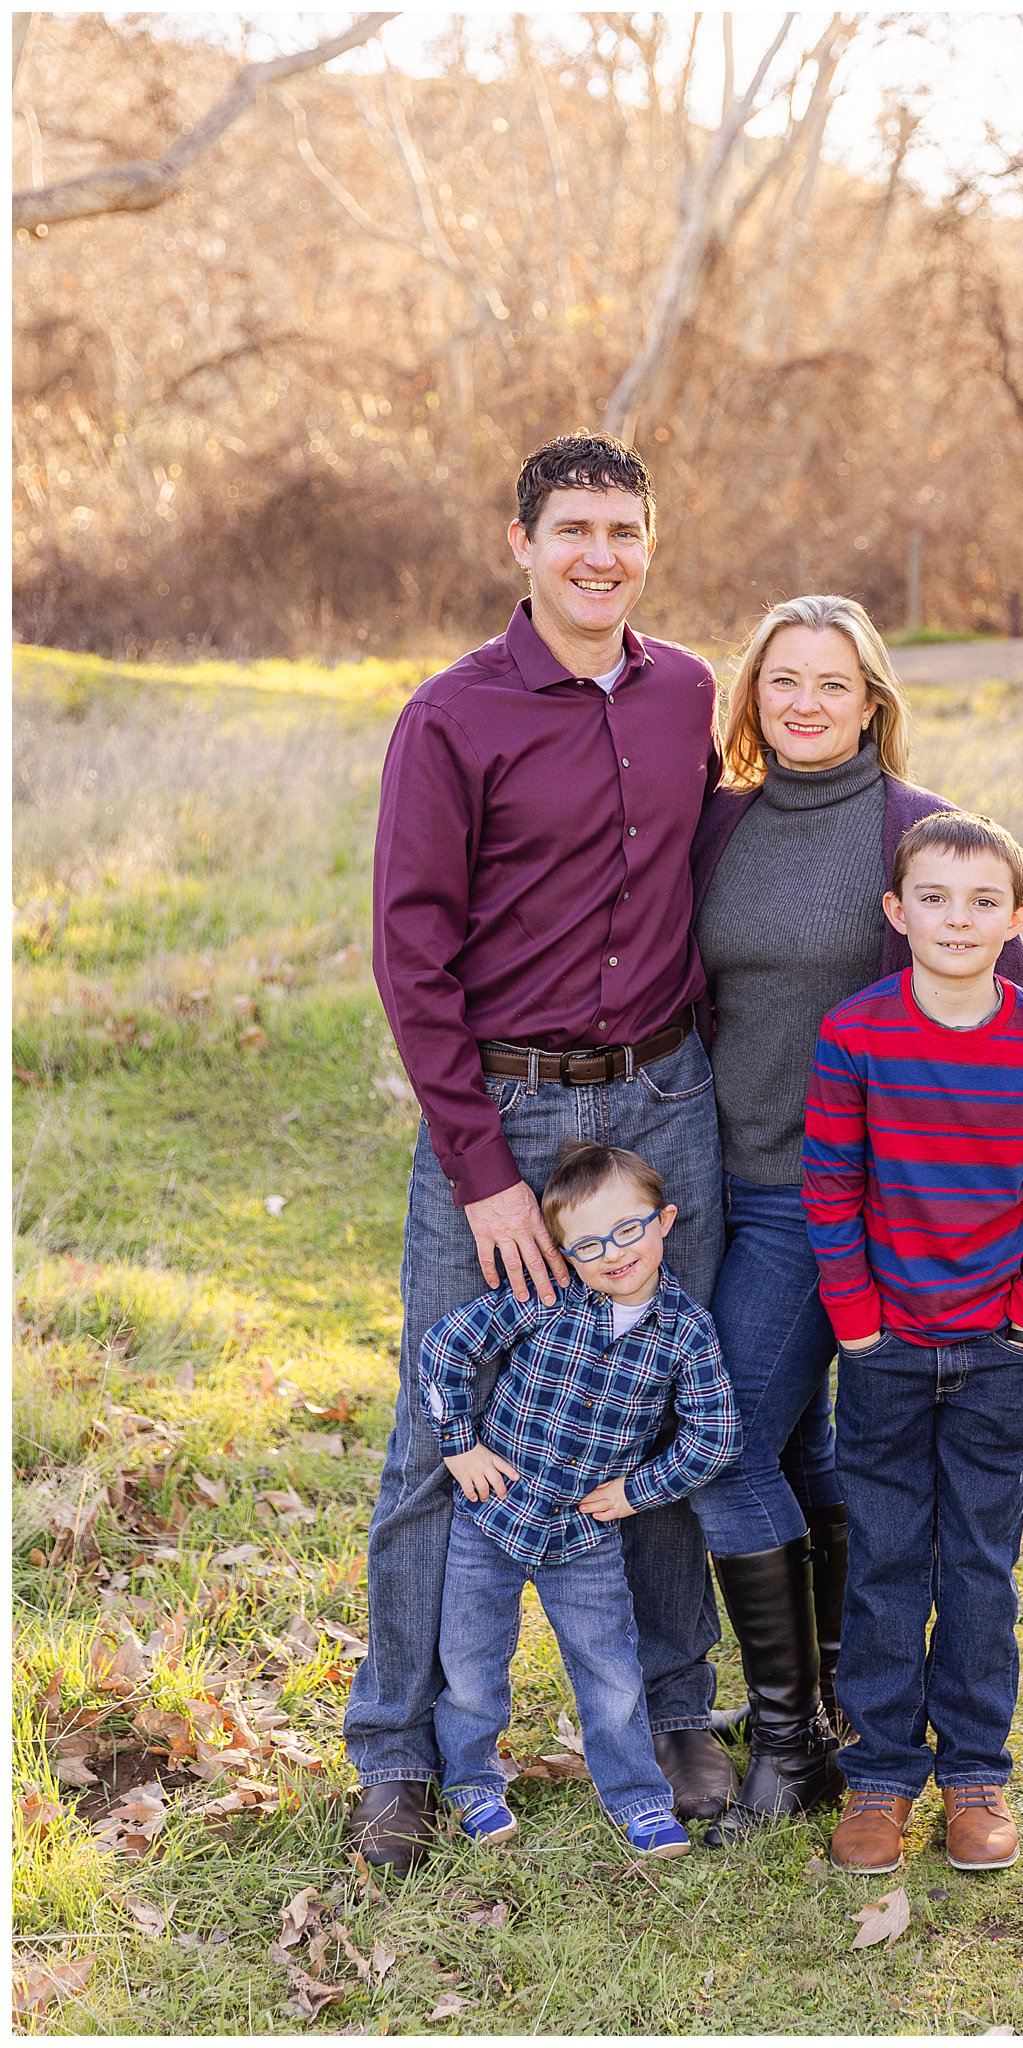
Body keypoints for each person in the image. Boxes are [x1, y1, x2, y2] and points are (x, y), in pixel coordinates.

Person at [347, 433, 737, 1872]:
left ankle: (678, 1716)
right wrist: (481, 1172)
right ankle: (398, 1749)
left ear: (649, 544)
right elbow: (411, 954)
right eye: (571, 528)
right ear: (519, 544)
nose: (599, 555)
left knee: (652, 1406)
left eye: (623, 531)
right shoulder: (451, 719)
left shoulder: (692, 691)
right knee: (441, 1431)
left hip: (658, 1106)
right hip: (506, 1121)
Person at [688, 594, 1023, 1847]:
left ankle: (802, 1737)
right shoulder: (721, 824)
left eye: (834, 681)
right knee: (812, 1463)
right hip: (735, 1179)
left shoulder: (913, 834)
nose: (806, 701)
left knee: (732, 1447)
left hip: (863, 1220)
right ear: (753, 697)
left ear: (874, 696)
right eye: (783, 681)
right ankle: (839, 1723)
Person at [804, 808, 1023, 1876]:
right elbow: (829, 1190)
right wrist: (856, 1323)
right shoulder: (855, 1033)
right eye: (932, 897)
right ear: (896, 910)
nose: (955, 918)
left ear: (1016, 917)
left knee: (977, 1563)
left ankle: (975, 1772)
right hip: (881, 1344)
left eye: (981, 901)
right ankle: (879, 1776)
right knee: (882, 1561)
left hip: (994, 1349)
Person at [418, 1142, 739, 1861]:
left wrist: (637, 1489)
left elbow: (715, 1435)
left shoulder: (686, 1331)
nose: (613, 1254)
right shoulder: (547, 1296)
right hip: (491, 1518)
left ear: (664, 1221)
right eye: (588, 1244)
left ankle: (638, 1799)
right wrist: (459, 1443)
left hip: (584, 1538)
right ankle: (471, 1781)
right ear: (563, 1250)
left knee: (610, 1671)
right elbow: (444, 1347)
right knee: (470, 1665)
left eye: (628, 1230)